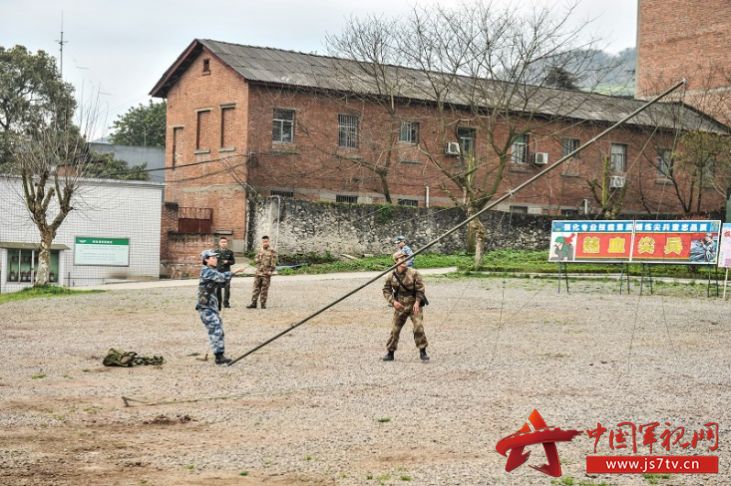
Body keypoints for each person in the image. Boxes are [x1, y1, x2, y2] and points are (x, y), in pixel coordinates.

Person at [196, 249, 242, 365]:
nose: (216, 259)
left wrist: (228, 277)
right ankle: (219, 357)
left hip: (211, 307)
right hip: (206, 308)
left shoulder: (212, 271)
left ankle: (219, 354)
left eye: (216, 257)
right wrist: (234, 272)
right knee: (216, 330)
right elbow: (221, 277)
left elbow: (221, 283)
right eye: (213, 257)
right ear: (206, 260)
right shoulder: (206, 271)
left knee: (218, 330)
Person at [381, 251, 429, 362]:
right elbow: (386, 291)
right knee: (395, 329)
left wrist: (417, 302)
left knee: (418, 326)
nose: (404, 261)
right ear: (396, 261)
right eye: (401, 259)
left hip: (413, 304)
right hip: (400, 304)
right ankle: (390, 353)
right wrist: (393, 302)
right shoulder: (390, 275)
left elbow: (420, 289)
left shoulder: (414, 273)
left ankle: (423, 351)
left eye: (405, 258)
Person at [247, 235, 277, 309]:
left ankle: (263, 304)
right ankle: (253, 303)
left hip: (266, 273)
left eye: (266, 241)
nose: (265, 243)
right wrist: (257, 260)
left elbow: (273, 263)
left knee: (264, 289)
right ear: (262, 242)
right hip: (258, 273)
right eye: (264, 242)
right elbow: (255, 259)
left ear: (268, 241)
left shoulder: (272, 251)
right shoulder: (259, 250)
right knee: (256, 288)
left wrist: (271, 271)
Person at [214, 236, 236, 309]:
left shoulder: (230, 252)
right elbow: (212, 262)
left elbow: (233, 262)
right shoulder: (215, 252)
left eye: (225, 242)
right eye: (222, 242)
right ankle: (218, 303)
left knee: (227, 288)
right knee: (218, 289)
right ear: (219, 243)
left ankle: (226, 303)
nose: (223, 243)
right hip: (218, 272)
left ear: (227, 243)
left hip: (227, 272)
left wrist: (228, 261)